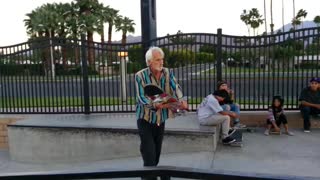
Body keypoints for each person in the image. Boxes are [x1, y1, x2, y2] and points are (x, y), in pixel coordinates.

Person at [134, 46, 188, 180]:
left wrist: (182, 100)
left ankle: (149, 165)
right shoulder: (140, 75)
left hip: (160, 120)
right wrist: (154, 104)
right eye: (158, 60)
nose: (161, 62)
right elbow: (141, 97)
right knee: (150, 155)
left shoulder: (168, 73)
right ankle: (149, 176)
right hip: (145, 119)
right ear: (149, 62)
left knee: (156, 154)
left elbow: (176, 87)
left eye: (162, 59)